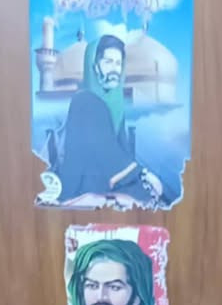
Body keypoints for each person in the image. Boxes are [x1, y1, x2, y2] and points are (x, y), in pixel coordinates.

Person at [57, 35, 164, 207]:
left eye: (118, 63)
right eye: (108, 62)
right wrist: (142, 173)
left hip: (110, 176)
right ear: (94, 66)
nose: (114, 69)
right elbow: (105, 150)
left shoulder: (115, 103)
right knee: (140, 196)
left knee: (149, 192)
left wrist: (139, 177)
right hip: (84, 181)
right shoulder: (84, 100)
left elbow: (122, 149)